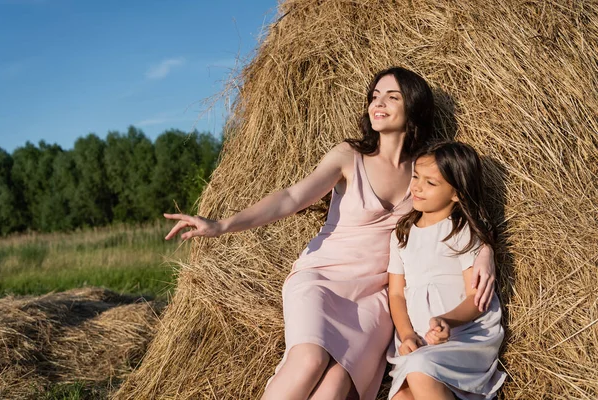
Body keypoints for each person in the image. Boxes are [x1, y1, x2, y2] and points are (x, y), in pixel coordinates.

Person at [163, 67, 497, 400]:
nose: (378, 103)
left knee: (336, 386)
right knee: (309, 360)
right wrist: (222, 225)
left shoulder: (424, 169)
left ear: (413, 107)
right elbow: (292, 197)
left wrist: (487, 250)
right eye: (374, 96)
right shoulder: (349, 156)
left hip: (376, 297)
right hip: (323, 277)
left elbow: (465, 203)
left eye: (391, 97)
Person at [386, 141, 505, 400]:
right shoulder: (401, 235)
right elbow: (396, 294)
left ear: (456, 193)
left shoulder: (461, 232)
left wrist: (447, 321)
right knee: (400, 397)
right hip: (417, 339)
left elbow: (477, 299)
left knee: (420, 370)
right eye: (416, 176)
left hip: (464, 334)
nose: (416, 186)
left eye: (430, 183)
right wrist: (406, 334)